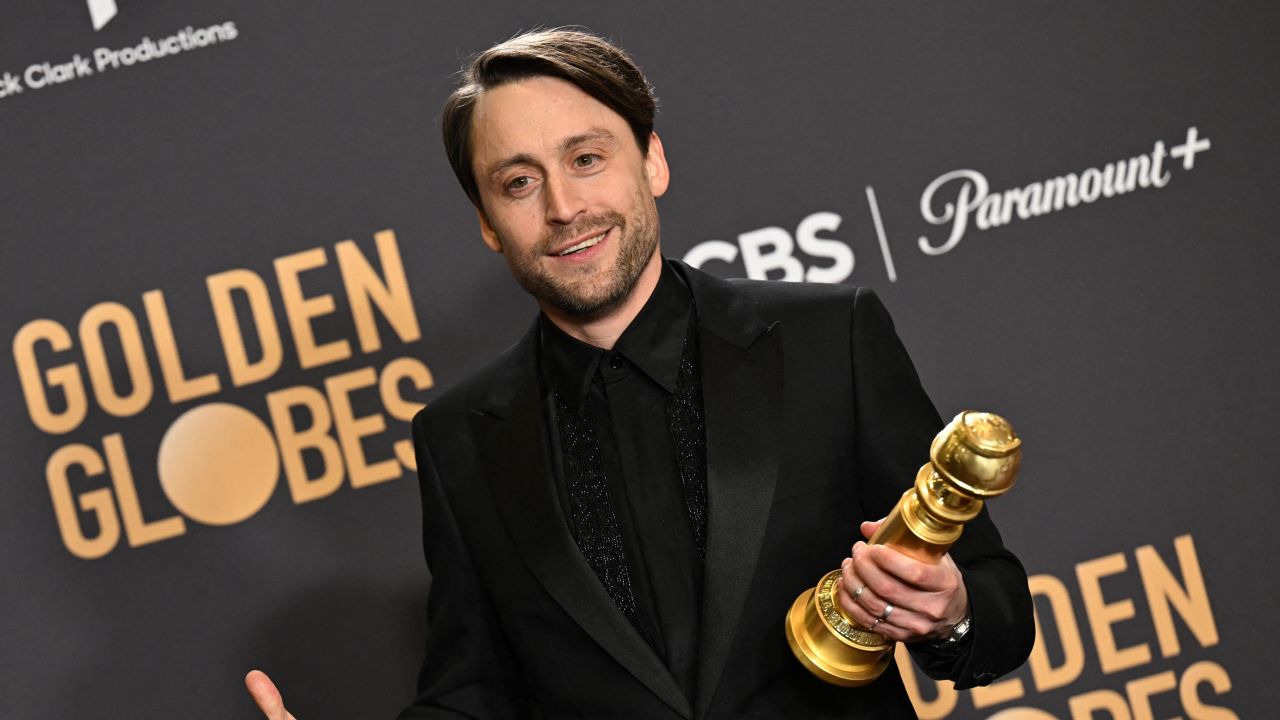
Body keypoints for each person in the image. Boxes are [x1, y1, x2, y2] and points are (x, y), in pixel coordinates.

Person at [247, 28, 1034, 719]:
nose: (563, 206)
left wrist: (953, 610)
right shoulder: (459, 440)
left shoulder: (831, 340)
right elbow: (473, 692)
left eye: (587, 158)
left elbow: (998, 614)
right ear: (488, 223)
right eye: (519, 183)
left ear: (652, 160)